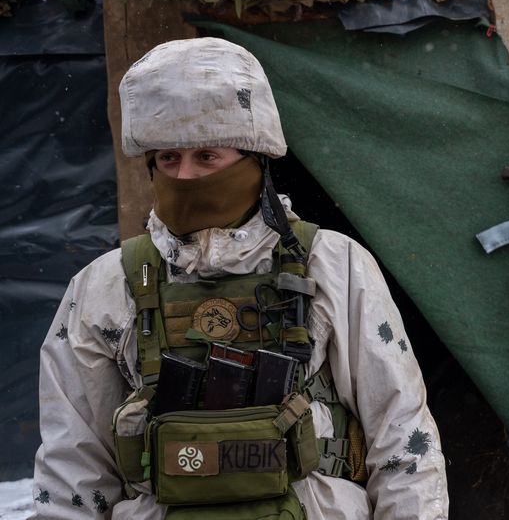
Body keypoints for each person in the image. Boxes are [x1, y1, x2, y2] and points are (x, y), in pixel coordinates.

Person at [31, 37, 448, 519]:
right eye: (168, 158)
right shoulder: (105, 286)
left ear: (255, 161)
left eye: (207, 157)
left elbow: (402, 437)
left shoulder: (334, 265)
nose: (185, 176)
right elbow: (72, 469)